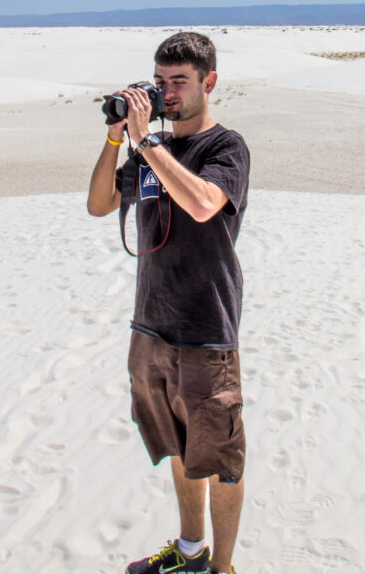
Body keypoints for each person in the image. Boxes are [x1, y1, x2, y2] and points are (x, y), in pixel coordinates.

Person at [87, 31, 250, 574]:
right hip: (151, 325)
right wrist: (117, 140)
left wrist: (148, 144)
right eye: (160, 83)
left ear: (210, 82)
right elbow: (99, 203)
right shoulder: (152, 149)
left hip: (205, 328)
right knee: (179, 447)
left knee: (221, 459)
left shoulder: (225, 147)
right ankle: (191, 553)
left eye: (179, 81)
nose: (168, 93)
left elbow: (204, 203)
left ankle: (222, 568)